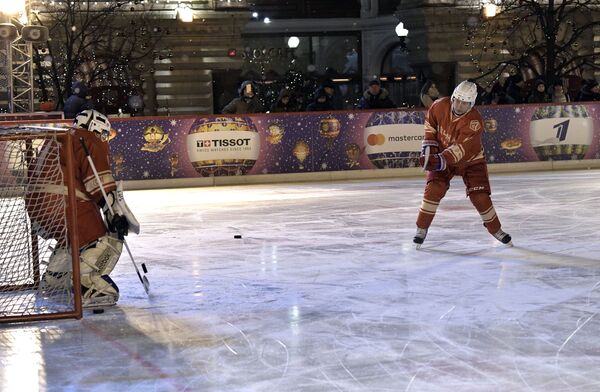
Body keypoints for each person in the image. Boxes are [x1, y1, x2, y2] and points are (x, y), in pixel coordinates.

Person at [28, 109, 139, 307]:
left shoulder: (59, 136)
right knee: (105, 239)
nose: (104, 138)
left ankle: (56, 280)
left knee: (73, 240)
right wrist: (114, 215)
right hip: (61, 203)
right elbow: (98, 182)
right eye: (103, 132)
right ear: (95, 126)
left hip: (37, 207)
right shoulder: (88, 139)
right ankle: (89, 285)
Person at [413, 80, 512, 248]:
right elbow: (430, 124)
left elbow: (461, 149)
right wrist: (429, 144)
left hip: (471, 160)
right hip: (443, 155)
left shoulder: (475, 121)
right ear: (452, 97)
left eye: (464, 103)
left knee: (480, 197)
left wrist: (439, 160)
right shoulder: (438, 105)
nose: (459, 105)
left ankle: (496, 229)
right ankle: (421, 228)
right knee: (433, 189)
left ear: (471, 104)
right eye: (457, 100)